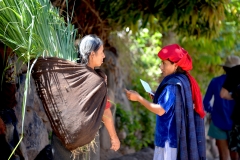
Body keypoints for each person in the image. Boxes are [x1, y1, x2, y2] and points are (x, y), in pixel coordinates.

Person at [125, 44, 206, 160]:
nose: (161, 67)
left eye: (164, 63)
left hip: (168, 141)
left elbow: (161, 110)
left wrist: (138, 98)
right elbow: (173, 105)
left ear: (176, 65)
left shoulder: (172, 85)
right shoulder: (184, 79)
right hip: (175, 140)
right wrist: (156, 97)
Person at [51, 34, 120, 160]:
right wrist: (113, 137)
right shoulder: (97, 81)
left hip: (63, 136)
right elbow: (105, 111)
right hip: (85, 138)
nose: (104, 55)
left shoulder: (67, 74)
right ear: (92, 54)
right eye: (101, 52)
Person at [203, 57, 239, 160]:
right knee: (236, 156)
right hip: (236, 125)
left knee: (223, 157)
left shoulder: (215, 81)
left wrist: (212, 112)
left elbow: (206, 102)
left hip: (218, 122)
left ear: (224, 68)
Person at [220, 55, 240, 157]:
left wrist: (235, 96)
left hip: (232, 120)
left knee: (228, 153)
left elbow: (223, 94)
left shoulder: (235, 72)